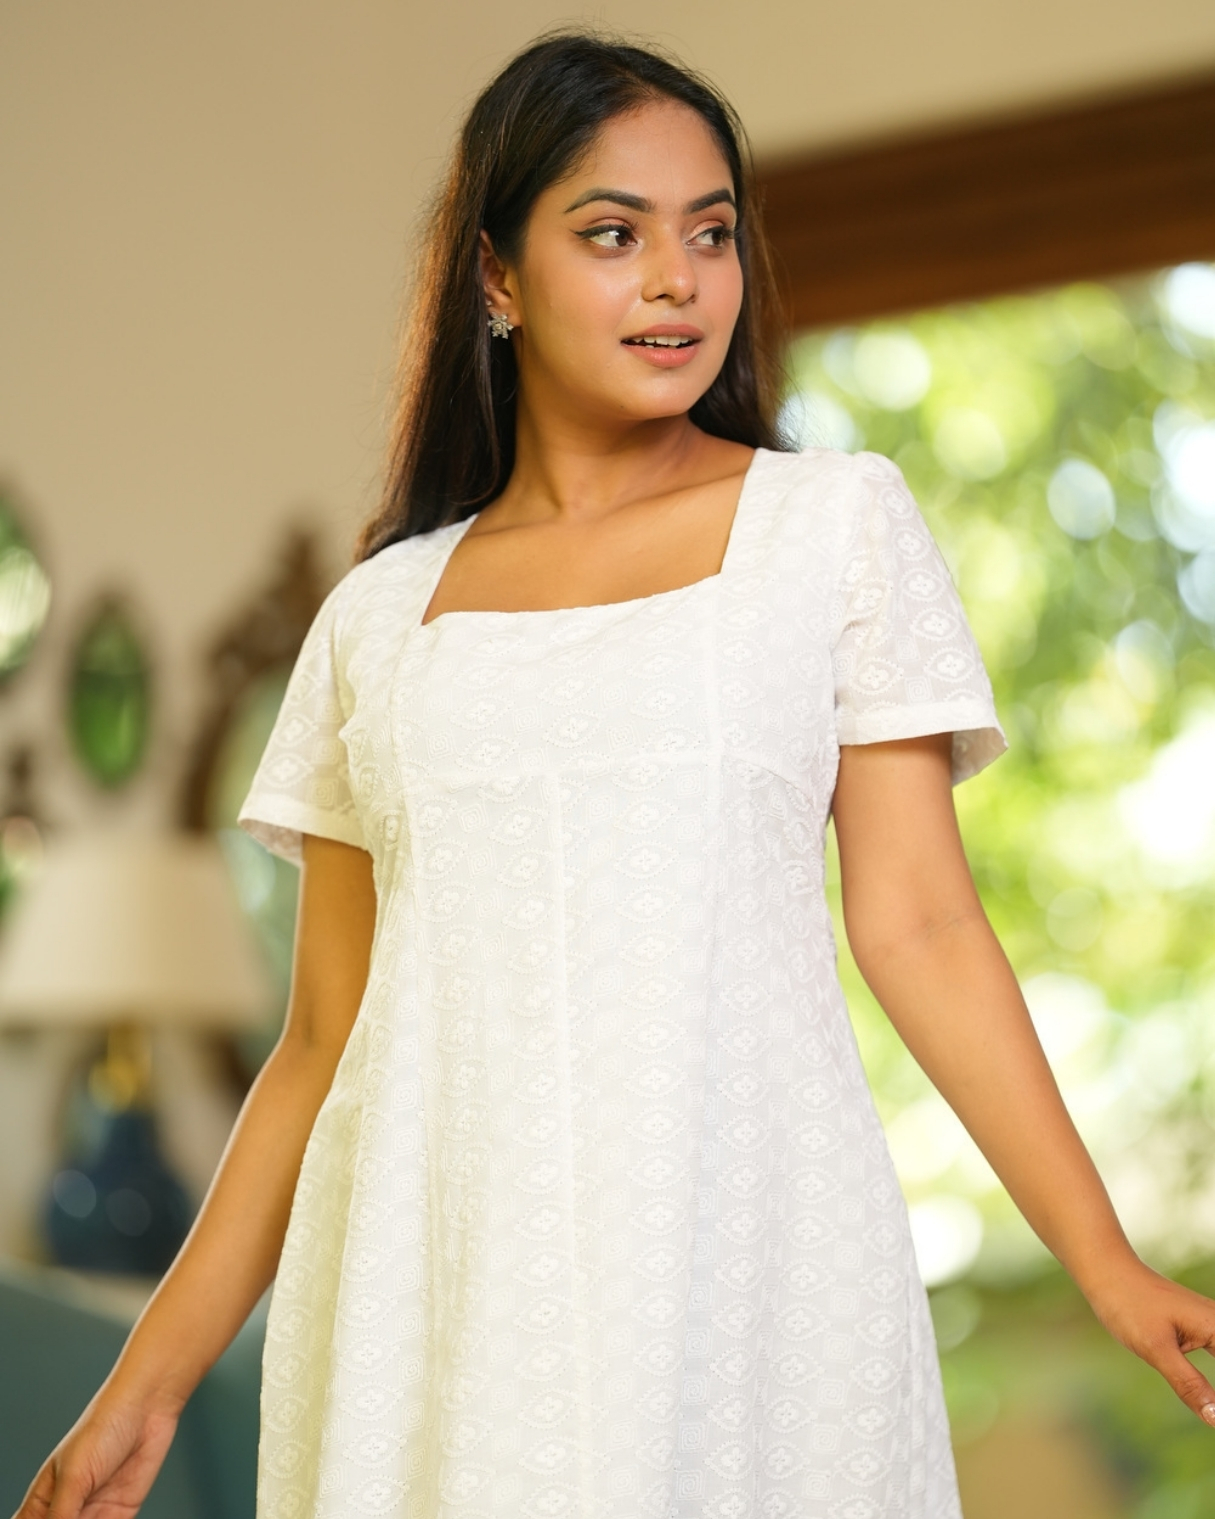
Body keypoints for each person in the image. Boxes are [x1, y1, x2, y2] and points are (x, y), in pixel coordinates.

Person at [17, 30, 1215, 1519]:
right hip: (440, 1291)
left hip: (748, 1268)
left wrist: (1102, 1259)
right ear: (496, 278)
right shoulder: (381, 618)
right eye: (612, 234)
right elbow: (321, 1040)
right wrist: (141, 1390)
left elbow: (918, 925)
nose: (678, 281)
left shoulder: (831, 528)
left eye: (711, 234)